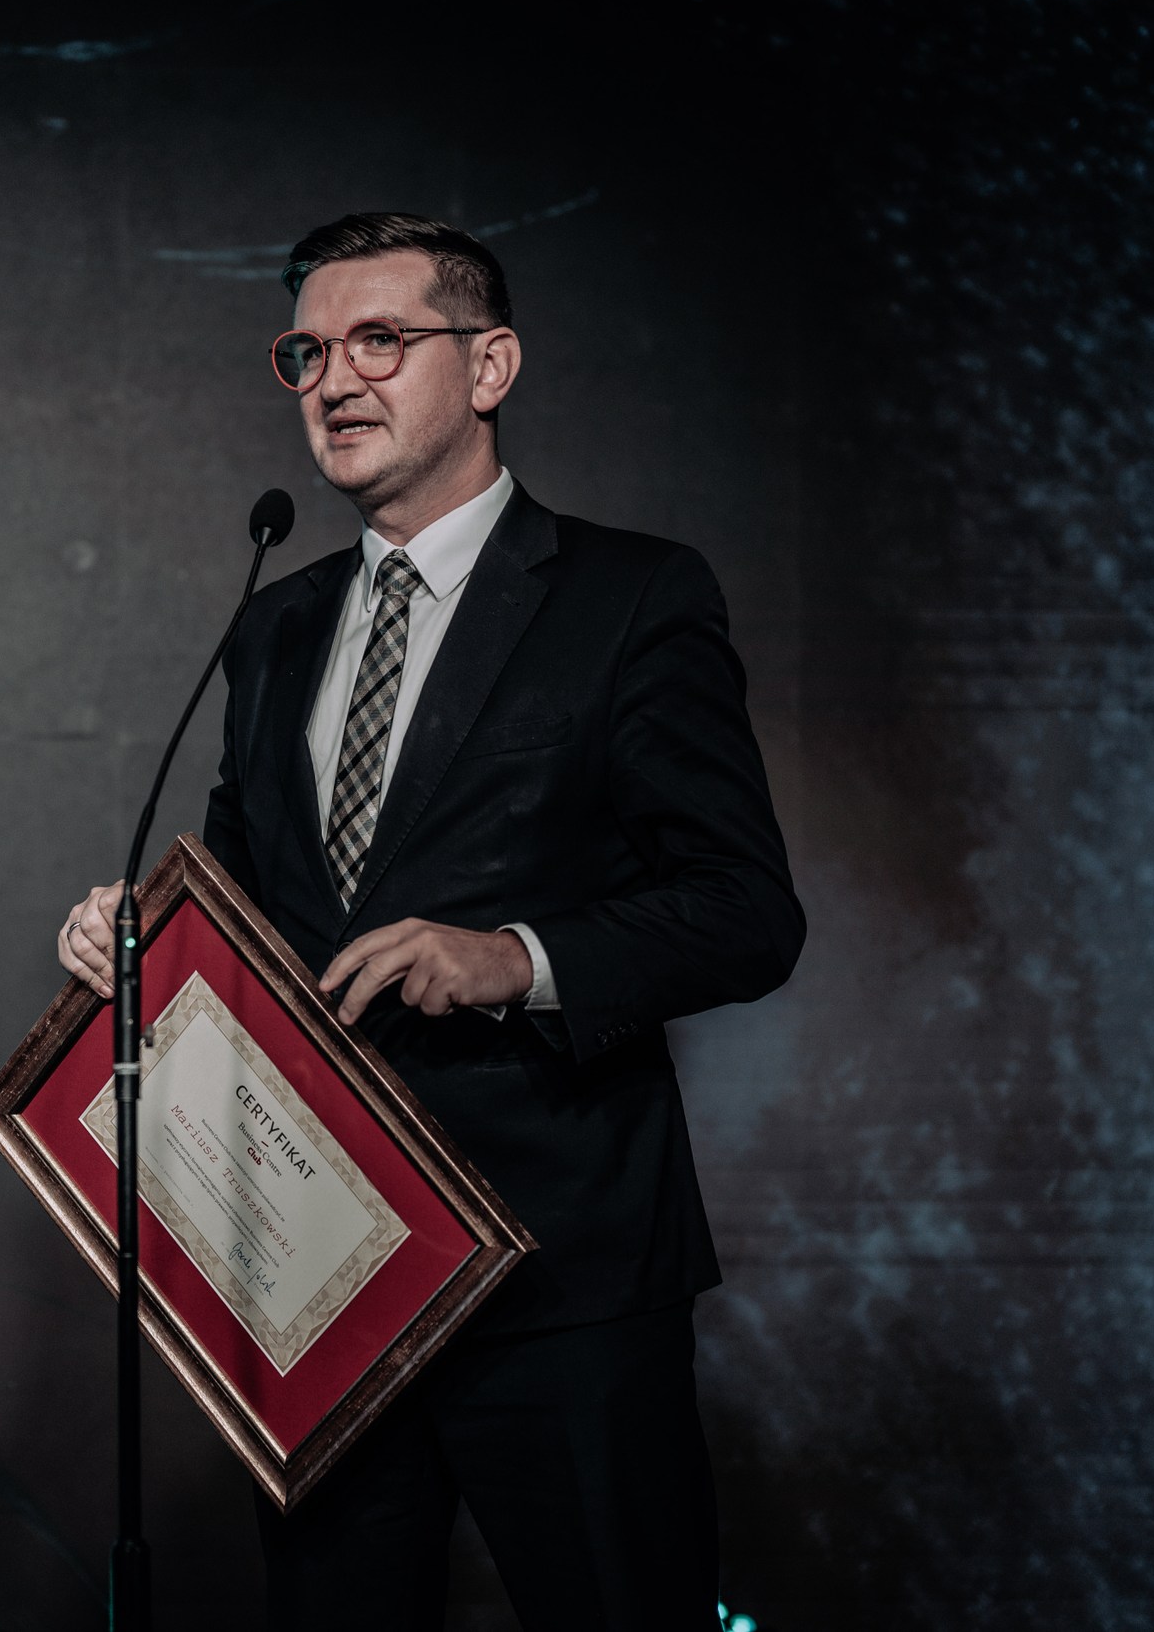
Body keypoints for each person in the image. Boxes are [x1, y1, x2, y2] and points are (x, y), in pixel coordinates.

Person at [55, 211, 804, 1631]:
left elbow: (747, 913)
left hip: (563, 1274)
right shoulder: (274, 625)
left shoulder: (631, 597)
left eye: (380, 340)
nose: (334, 379)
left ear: (491, 364)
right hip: (326, 1287)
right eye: (306, 354)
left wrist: (516, 960)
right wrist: (142, 937)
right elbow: (247, 910)